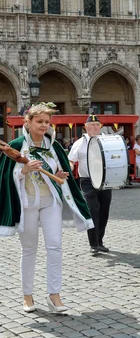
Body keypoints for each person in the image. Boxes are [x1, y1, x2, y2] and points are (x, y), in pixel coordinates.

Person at [0, 103, 93, 313]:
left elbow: (61, 170)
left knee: (55, 246)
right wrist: (23, 170)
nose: (43, 126)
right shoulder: (16, 145)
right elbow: (5, 177)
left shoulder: (54, 147)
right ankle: (27, 296)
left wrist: (60, 177)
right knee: (29, 249)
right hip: (28, 204)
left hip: (51, 202)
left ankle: (54, 295)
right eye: (39, 121)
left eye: (46, 122)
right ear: (29, 122)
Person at [68, 113, 114, 255]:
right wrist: (67, 173)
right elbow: (71, 160)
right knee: (93, 209)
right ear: (86, 127)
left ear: (100, 127)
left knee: (104, 210)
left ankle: (100, 241)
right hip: (87, 180)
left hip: (104, 180)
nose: (94, 127)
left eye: (96, 125)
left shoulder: (106, 141)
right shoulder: (80, 143)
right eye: (91, 125)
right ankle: (93, 244)